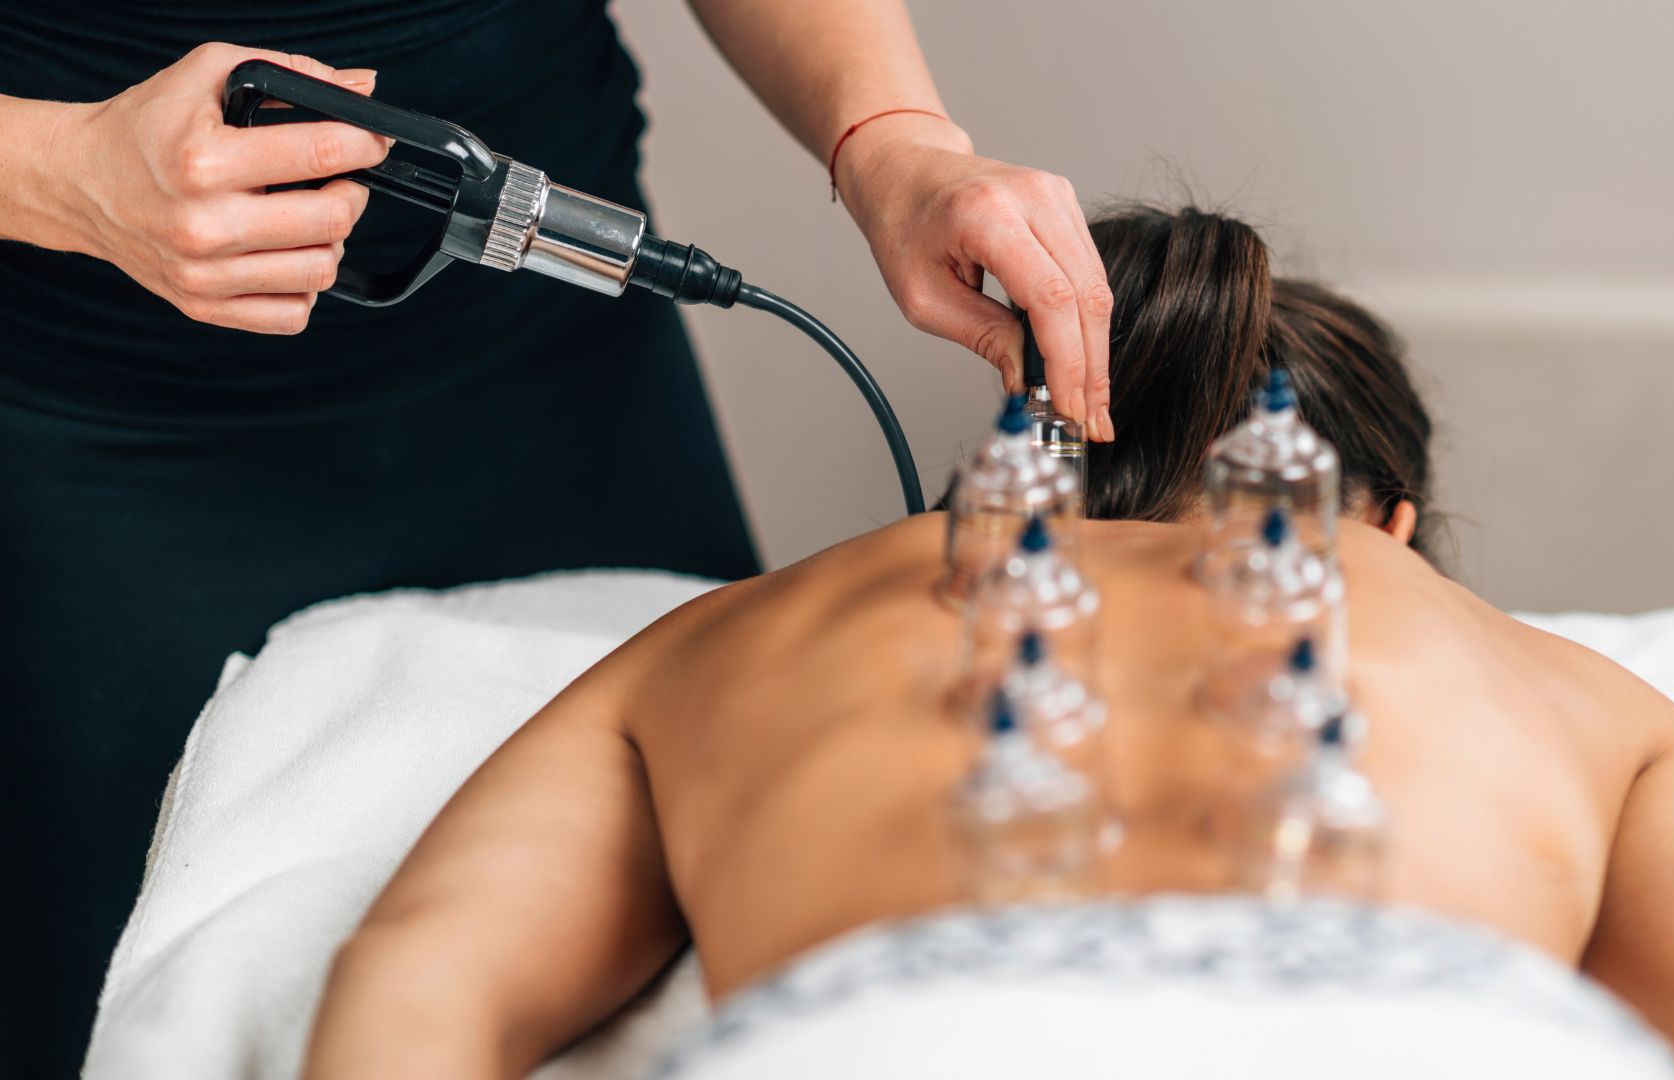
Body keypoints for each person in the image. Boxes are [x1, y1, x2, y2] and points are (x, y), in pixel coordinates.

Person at [303, 208, 1674, 1078]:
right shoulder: (1548, 683)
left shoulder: (738, 640)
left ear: (985, 486)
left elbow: (426, 983)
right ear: (1392, 527)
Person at [0, 3, 1117, 1069]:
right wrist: (61, 170)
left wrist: (893, 138)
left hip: (553, 339)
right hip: (90, 398)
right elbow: (430, 991)